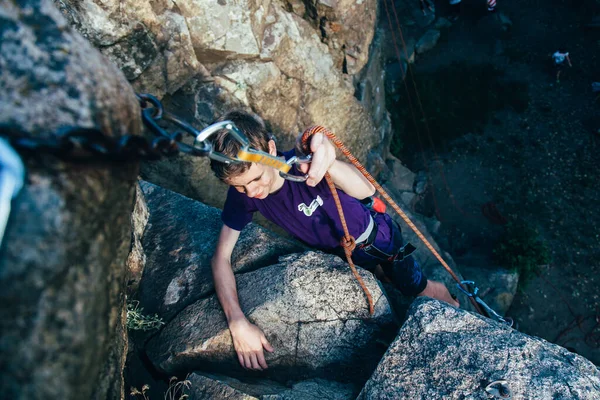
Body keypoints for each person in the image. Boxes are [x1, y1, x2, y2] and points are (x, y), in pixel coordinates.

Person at [209, 110, 460, 371]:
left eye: (256, 179)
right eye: (240, 186)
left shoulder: (302, 166)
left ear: (271, 148)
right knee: (385, 279)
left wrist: (329, 163)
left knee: (415, 288)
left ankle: (449, 300)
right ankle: (391, 278)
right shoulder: (244, 196)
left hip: (378, 240)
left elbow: (366, 190)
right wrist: (236, 320)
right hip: (342, 254)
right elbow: (220, 258)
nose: (252, 192)